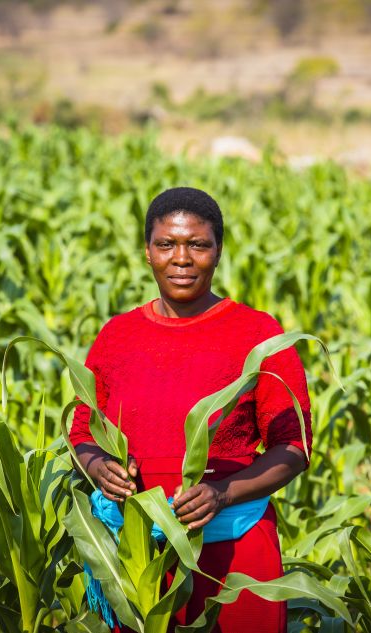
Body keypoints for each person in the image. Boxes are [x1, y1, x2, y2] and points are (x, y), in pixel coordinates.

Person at [69, 186, 312, 632]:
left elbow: (293, 448)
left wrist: (223, 494)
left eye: (198, 244)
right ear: (148, 252)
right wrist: (99, 465)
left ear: (218, 251)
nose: (181, 258)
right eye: (166, 244)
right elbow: (83, 432)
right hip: (138, 559)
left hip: (234, 555)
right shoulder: (117, 336)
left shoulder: (257, 333)